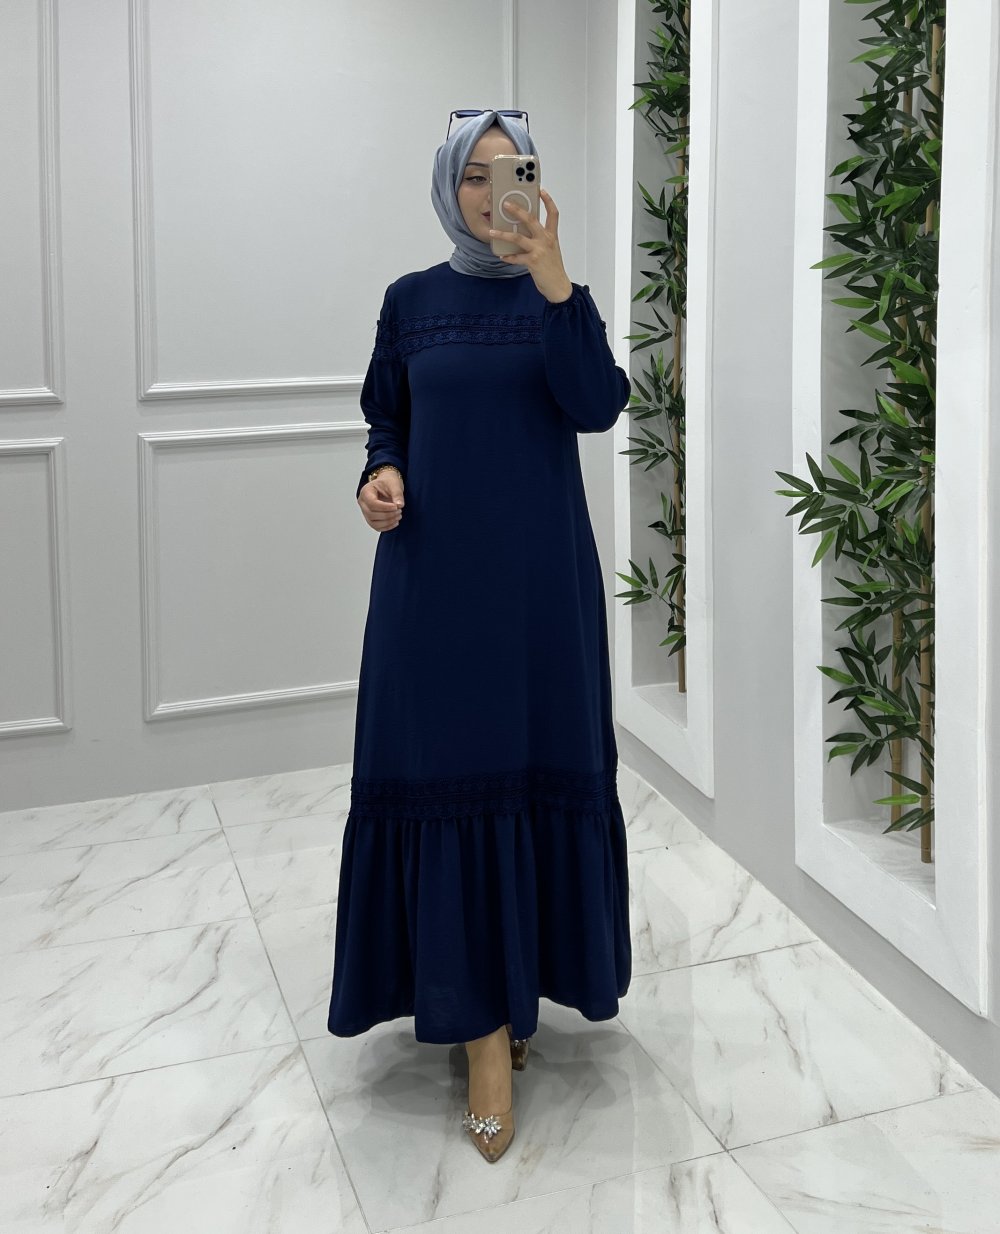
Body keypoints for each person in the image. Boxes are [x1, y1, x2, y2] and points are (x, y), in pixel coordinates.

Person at [326, 108, 632, 1164]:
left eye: (515, 170)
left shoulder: (560, 300)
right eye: (475, 174)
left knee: (535, 768)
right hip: (434, 585)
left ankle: (517, 988)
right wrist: (379, 472)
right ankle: (484, 1035)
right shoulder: (410, 301)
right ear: (448, 186)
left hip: (541, 587)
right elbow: (388, 416)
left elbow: (596, 406)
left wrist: (554, 278)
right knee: (447, 774)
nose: (495, 190)